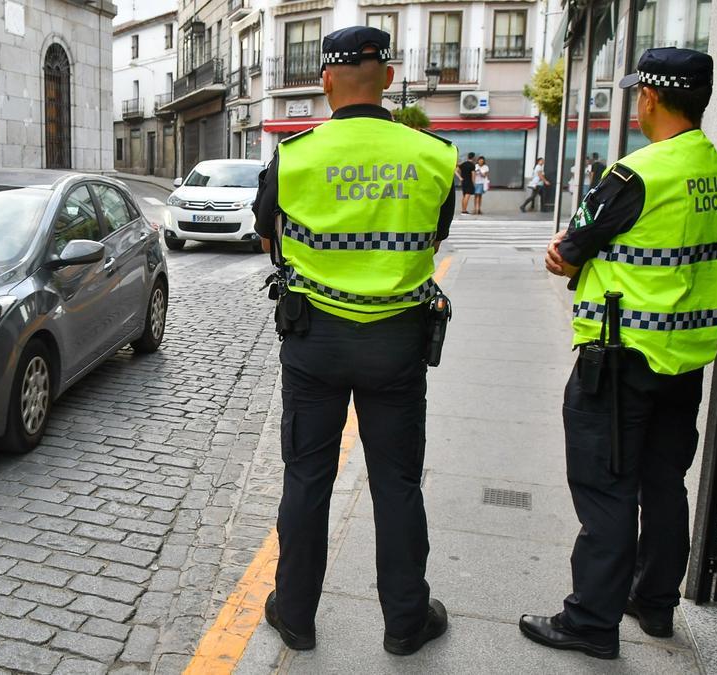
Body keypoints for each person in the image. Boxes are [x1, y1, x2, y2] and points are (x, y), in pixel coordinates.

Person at [521, 47, 717, 660]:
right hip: (684, 358)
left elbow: (573, 246)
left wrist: (567, 253)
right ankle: (655, 603)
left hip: (621, 359)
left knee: (607, 489)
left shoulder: (636, 173)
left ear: (647, 98)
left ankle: (590, 621)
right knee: (664, 481)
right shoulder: (714, 168)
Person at [252, 25, 457, 656]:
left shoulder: (297, 155)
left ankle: (296, 616)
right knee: (397, 484)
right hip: (397, 342)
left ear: (326, 81)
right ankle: (404, 623)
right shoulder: (434, 155)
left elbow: (267, 235)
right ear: (388, 79)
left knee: (307, 478)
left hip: (315, 341)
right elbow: (435, 235)